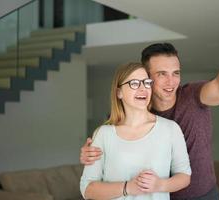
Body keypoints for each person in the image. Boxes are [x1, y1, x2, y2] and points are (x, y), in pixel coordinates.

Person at [80, 39, 219, 200]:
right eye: (162, 74)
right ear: (146, 77)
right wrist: (90, 154)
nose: (171, 82)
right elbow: (109, 151)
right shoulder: (129, 113)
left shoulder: (192, 95)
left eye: (175, 73)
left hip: (202, 195)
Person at [80, 63, 191, 200]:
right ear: (118, 92)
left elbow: (184, 176)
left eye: (146, 83)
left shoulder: (171, 129)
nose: (143, 88)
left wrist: (160, 185)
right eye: (134, 83)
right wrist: (127, 188)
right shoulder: (103, 134)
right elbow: (87, 189)